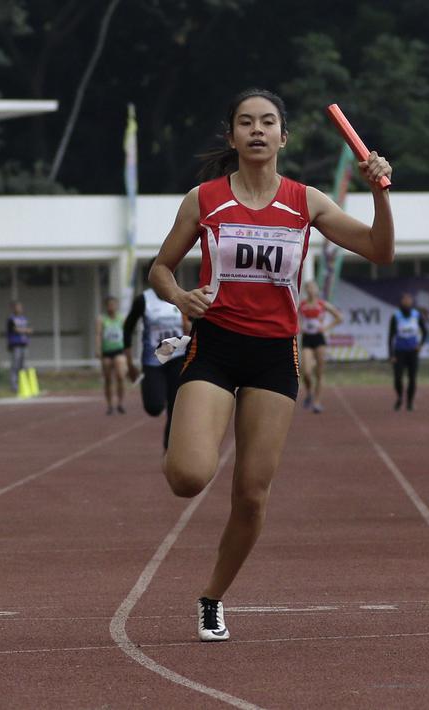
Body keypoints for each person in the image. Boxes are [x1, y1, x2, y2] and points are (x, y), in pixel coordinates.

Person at [148, 88, 393, 641]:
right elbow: (160, 269)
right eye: (245, 122)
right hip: (215, 345)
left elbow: (379, 250)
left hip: (273, 356)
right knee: (188, 478)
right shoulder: (203, 199)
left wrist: (380, 193)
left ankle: (212, 597)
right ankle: (182, 421)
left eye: (267, 122)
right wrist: (181, 297)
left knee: (252, 493)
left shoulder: (306, 202)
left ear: (284, 136)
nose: (256, 131)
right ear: (232, 136)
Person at [124, 265, 190, 448]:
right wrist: (129, 363)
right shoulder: (144, 300)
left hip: (177, 355)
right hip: (155, 357)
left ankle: (169, 450)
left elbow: (192, 327)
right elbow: (127, 328)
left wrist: (189, 329)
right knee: (154, 407)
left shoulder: (181, 298)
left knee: (174, 407)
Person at [298, 280, 343, 413]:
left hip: (319, 339)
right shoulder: (302, 305)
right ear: (306, 290)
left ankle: (317, 402)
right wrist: (299, 327)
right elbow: (293, 317)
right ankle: (309, 392)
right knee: (306, 371)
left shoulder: (322, 304)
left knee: (319, 372)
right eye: (309, 288)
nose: (311, 290)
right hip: (307, 339)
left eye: (313, 287)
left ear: (317, 290)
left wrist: (325, 328)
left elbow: (339, 317)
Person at [388, 293, 428, 411]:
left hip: (412, 352)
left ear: (412, 302)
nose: (407, 301)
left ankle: (410, 402)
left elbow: (425, 332)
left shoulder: (417, 315)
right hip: (399, 352)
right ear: (401, 301)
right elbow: (390, 336)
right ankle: (400, 397)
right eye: (405, 299)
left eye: (409, 299)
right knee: (398, 378)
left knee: (412, 378)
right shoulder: (396, 316)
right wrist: (391, 355)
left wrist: (420, 345)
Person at [97, 296, 128, 415]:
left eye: (113, 305)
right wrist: (98, 349)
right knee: (108, 379)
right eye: (109, 305)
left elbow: (127, 335)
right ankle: (110, 405)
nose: (111, 307)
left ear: (116, 306)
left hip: (119, 350)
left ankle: (120, 403)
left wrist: (127, 349)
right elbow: (98, 335)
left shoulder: (121, 318)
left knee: (120, 375)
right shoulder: (101, 319)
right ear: (106, 306)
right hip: (107, 352)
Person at [6, 300, 32, 393]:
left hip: (24, 344)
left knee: (23, 366)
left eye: (20, 307)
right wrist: (25, 330)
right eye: (17, 307)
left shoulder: (24, 318)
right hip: (15, 344)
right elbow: (15, 330)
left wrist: (25, 331)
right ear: (13, 308)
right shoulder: (11, 319)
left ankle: (22, 384)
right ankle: (13, 386)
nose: (19, 309)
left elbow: (28, 329)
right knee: (15, 366)